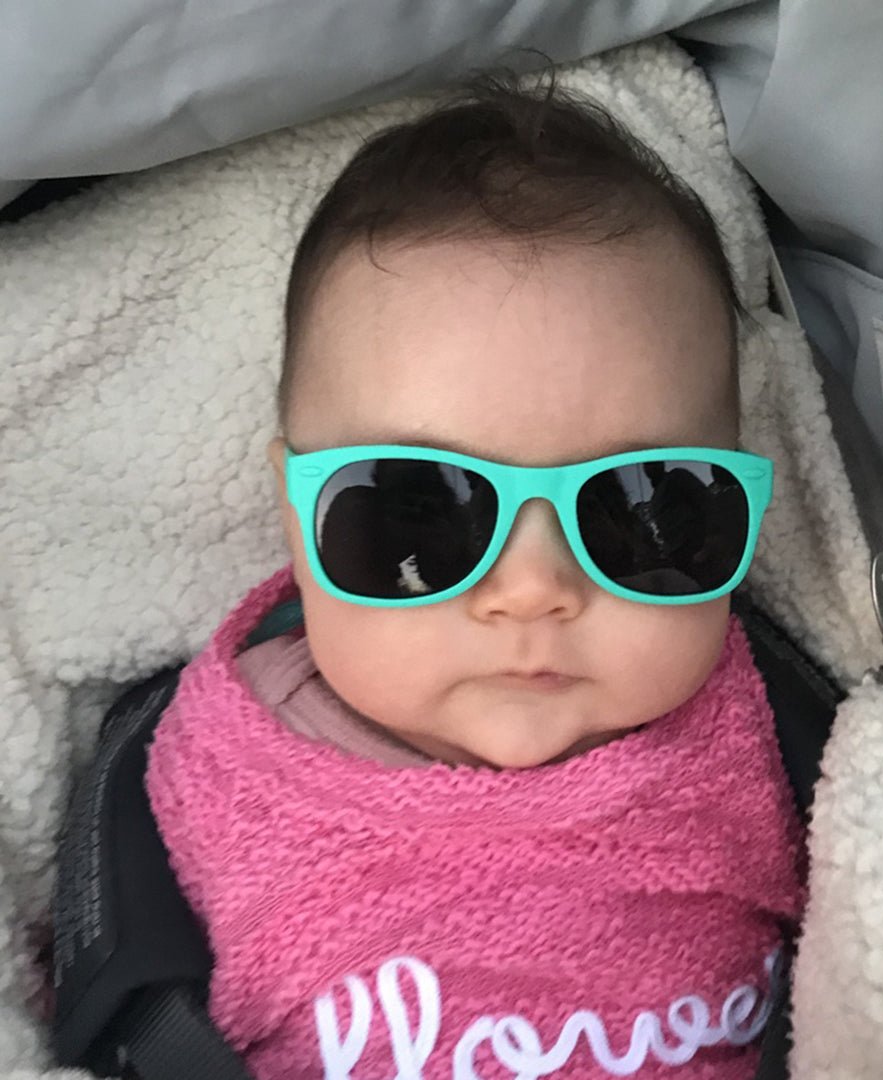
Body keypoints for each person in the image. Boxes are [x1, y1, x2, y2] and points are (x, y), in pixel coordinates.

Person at [144, 76, 804, 1079]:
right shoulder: (219, 772)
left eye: (641, 509)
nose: (531, 588)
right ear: (297, 520)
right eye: (418, 508)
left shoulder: (780, 736)